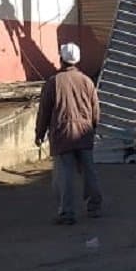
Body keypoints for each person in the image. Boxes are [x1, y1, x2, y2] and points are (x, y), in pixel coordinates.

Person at [35, 42, 103, 225]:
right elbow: (95, 109)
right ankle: (94, 206)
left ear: (61, 60)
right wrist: (93, 128)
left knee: (64, 176)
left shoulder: (53, 82)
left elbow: (44, 111)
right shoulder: (87, 81)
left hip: (62, 134)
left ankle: (67, 213)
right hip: (84, 132)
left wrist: (39, 133)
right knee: (89, 171)